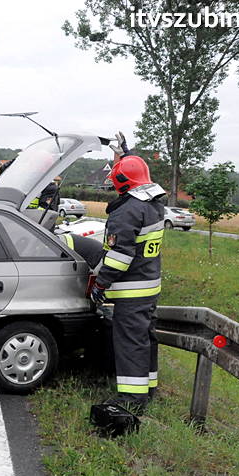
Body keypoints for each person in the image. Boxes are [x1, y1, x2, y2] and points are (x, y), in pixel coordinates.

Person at [90, 132, 166, 415]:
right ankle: (148, 388)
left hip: (132, 289)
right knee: (146, 338)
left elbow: (120, 257)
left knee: (130, 342)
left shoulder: (126, 213)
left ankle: (133, 400)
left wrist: (100, 285)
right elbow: (134, 173)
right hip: (149, 286)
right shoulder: (153, 205)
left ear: (121, 183)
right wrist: (125, 153)